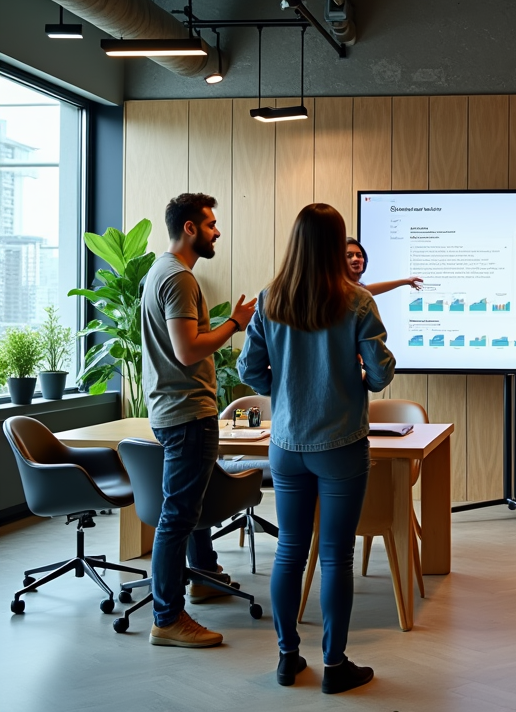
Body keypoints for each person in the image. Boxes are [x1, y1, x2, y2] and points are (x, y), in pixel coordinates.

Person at [239, 205, 396, 694]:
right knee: (335, 557)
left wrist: (283, 388)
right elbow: (383, 374)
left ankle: (288, 660)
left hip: (285, 445)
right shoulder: (357, 301)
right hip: (342, 445)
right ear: (337, 243)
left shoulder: (270, 298)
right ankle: (334, 665)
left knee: (289, 550)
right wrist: (357, 376)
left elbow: (249, 370)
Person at [142, 192, 256, 648]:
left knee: (192, 504)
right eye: (210, 223)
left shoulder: (159, 272)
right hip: (187, 413)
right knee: (178, 516)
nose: (217, 231)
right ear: (190, 228)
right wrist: (234, 324)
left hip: (176, 410)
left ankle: (204, 575)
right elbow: (188, 350)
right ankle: (168, 618)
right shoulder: (180, 279)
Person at [346, 237, 422, 295]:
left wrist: (407, 281)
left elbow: (367, 290)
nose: (355, 259)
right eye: (349, 255)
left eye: (359, 255)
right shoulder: (339, 290)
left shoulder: (358, 292)